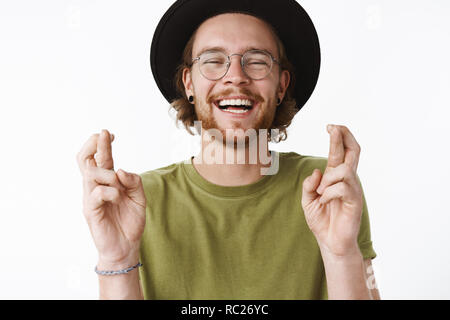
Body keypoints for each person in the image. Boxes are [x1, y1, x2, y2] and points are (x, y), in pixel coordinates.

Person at [76, 0, 380, 300]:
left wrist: (342, 254)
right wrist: (117, 260)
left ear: (281, 86)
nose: (235, 75)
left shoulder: (328, 190)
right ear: (189, 84)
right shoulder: (138, 201)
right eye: (213, 60)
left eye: (257, 60)